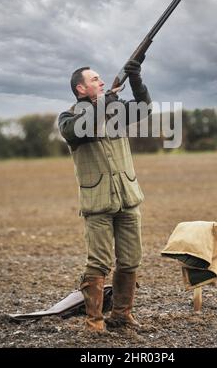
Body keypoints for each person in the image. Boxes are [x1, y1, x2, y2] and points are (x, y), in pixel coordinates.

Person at [58, 60, 151, 332]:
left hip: (127, 197)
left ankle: (121, 315)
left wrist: (136, 79)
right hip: (98, 203)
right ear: (80, 88)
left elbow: (145, 108)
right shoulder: (69, 117)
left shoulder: (115, 110)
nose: (101, 81)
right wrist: (105, 100)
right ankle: (94, 321)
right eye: (95, 79)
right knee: (98, 262)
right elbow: (80, 129)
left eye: (101, 79)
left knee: (131, 259)